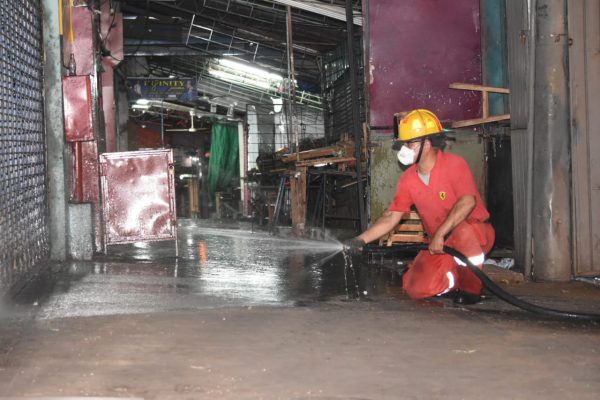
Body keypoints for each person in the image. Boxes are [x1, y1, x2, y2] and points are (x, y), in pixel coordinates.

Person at [344, 109, 495, 304]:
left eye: (410, 143)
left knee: (464, 233)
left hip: (475, 233)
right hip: (440, 243)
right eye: (404, 143)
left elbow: (468, 202)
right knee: (416, 288)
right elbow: (391, 217)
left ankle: (471, 290)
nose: (405, 148)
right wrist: (360, 240)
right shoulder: (408, 179)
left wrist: (441, 233)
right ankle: (453, 281)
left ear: (427, 144)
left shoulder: (455, 165)